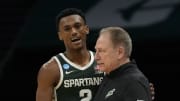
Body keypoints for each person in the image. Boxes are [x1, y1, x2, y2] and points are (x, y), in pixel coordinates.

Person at [36, 8, 155, 101]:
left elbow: (125, 82)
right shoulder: (50, 69)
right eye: (67, 29)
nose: (74, 32)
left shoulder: (104, 62)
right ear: (60, 35)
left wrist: (141, 90)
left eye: (77, 26)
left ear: (86, 29)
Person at [93, 26, 152, 101]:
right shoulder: (109, 77)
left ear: (120, 52)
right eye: (96, 50)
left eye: (101, 51)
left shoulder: (134, 82)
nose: (96, 57)